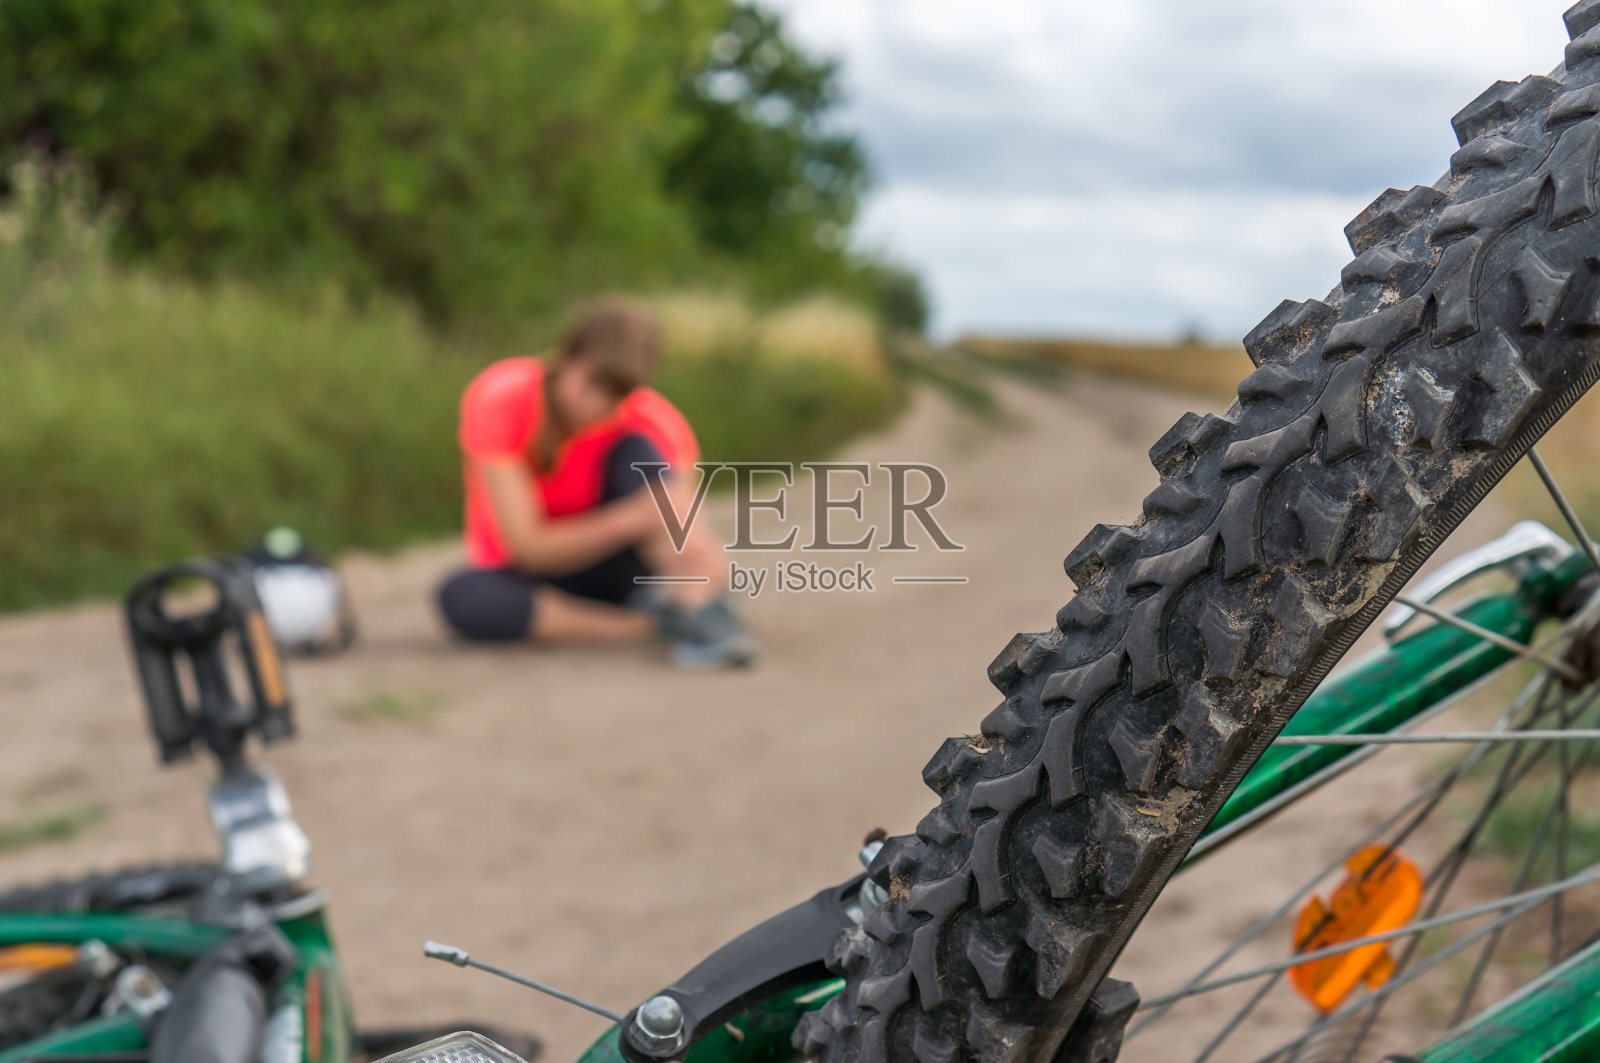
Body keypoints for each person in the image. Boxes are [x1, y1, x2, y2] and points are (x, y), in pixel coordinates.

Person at [436, 298, 757, 667]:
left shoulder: (653, 422)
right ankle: (651, 624)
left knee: (638, 454)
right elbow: (528, 549)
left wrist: (701, 572)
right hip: (532, 575)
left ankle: (699, 613)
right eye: (593, 383)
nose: (600, 404)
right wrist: (631, 519)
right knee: (463, 596)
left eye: (617, 393)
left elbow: (691, 542)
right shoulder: (503, 398)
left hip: (618, 570)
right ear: (567, 357)